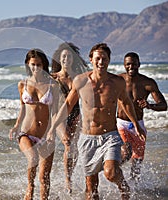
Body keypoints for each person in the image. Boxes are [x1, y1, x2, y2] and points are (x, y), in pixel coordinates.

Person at [47, 43, 146, 200]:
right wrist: (52, 127)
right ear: (91, 60)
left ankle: (123, 187)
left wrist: (136, 125)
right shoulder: (80, 81)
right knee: (91, 189)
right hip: (87, 139)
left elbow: (126, 103)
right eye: (98, 58)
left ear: (109, 60)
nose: (101, 62)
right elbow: (67, 105)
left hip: (110, 136)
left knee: (111, 172)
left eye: (104, 59)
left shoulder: (117, 82)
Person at [9, 49, 60, 200]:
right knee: (32, 159)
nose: (36, 68)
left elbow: (55, 112)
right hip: (26, 132)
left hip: (46, 135)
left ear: (44, 65)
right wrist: (16, 126)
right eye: (33, 65)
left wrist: (52, 131)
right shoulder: (22, 84)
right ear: (27, 65)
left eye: (39, 64)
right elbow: (23, 108)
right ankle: (30, 186)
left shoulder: (52, 85)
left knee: (44, 178)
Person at [117, 52, 167, 180]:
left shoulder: (148, 83)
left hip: (138, 125)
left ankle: (135, 190)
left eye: (134, 64)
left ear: (139, 64)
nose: (131, 67)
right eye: (128, 64)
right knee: (126, 153)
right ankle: (111, 171)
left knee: (137, 161)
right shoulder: (118, 80)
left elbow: (163, 105)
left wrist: (149, 105)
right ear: (124, 65)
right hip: (121, 123)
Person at [51, 42, 88, 193]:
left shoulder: (78, 78)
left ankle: (70, 176)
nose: (66, 59)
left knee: (75, 148)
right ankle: (67, 180)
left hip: (76, 114)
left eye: (69, 56)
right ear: (59, 59)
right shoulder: (53, 78)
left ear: (73, 59)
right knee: (67, 142)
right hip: (58, 115)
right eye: (64, 56)